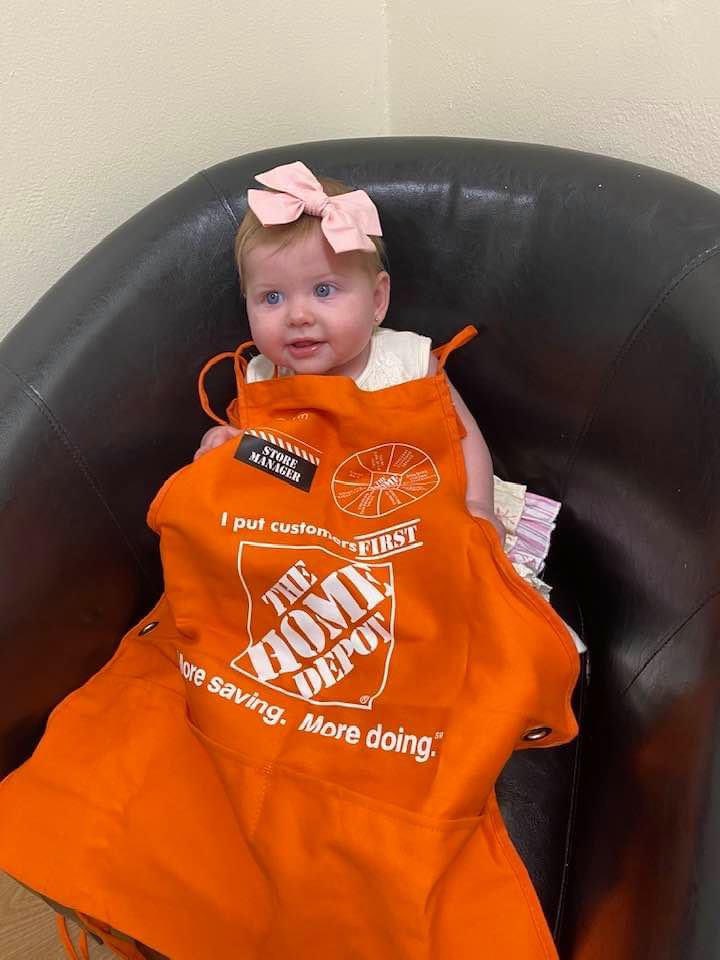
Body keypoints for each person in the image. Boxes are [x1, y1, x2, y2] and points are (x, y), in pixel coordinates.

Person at [194, 161, 507, 545]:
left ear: (377, 300)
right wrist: (227, 447)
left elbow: (464, 437)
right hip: (322, 539)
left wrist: (478, 504)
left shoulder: (407, 361)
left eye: (324, 291)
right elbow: (266, 474)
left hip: (422, 518)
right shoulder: (263, 379)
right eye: (271, 297)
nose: (298, 316)